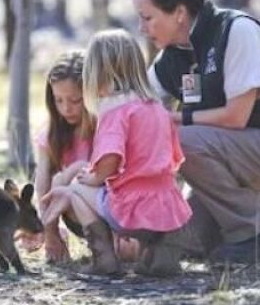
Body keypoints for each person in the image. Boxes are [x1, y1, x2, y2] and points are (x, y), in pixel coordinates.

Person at [129, 0, 260, 263]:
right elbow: (139, 110)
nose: (141, 28)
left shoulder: (236, 30)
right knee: (186, 240)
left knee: (177, 138)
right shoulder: (171, 57)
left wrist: (176, 118)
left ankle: (253, 235)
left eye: (147, 17)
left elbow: (236, 116)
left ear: (178, 13)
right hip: (232, 153)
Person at [41, 30, 197, 277]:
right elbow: (174, 157)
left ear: (99, 73)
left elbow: (111, 159)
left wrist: (93, 179)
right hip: (167, 206)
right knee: (145, 209)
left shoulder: (115, 110)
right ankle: (159, 257)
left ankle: (104, 259)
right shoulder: (157, 107)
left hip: (130, 210)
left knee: (74, 191)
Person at [33, 51, 96, 263]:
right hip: (75, 214)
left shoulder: (105, 125)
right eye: (58, 101)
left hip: (108, 210)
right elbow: (43, 182)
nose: (66, 109)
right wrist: (49, 231)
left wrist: (77, 168)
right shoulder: (52, 133)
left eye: (75, 100)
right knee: (57, 179)